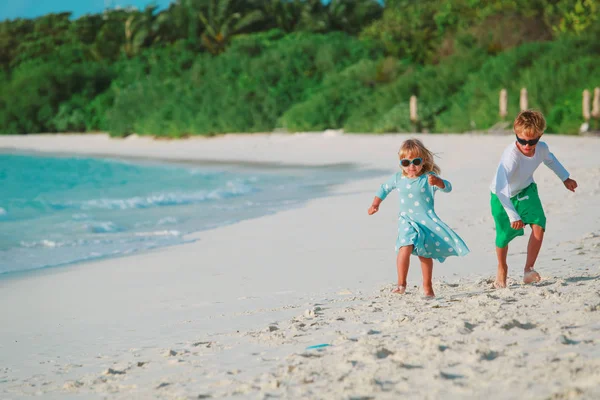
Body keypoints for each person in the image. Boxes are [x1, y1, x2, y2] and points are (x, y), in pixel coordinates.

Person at [368, 138, 470, 297]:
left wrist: (438, 181)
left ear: (423, 161)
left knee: (425, 253)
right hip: (406, 220)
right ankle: (401, 284)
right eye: (406, 162)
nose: (411, 166)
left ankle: (427, 286)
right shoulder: (398, 178)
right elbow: (384, 188)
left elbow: (448, 188)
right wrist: (376, 203)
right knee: (405, 246)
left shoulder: (428, 177)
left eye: (416, 161)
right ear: (400, 163)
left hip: (426, 221)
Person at [490, 110, 578, 288]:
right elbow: (500, 189)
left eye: (533, 141)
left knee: (539, 223)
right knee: (503, 237)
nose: (527, 145)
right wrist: (513, 216)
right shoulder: (511, 156)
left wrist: (565, 178)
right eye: (522, 141)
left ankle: (528, 269)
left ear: (540, 136)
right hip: (502, 197)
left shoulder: (542, 148)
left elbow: (550, 160)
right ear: (516, 134)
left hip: (526, 190)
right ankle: (502, 267)